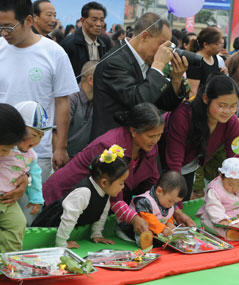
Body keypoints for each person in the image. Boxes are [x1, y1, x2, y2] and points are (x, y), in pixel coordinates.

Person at [44, 103, 195, 235]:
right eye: (151, 136)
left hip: (88, 207)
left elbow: (152, 188)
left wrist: (175, 212)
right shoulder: (112, 147)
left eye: (159, 135)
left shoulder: (149, 148)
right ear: (134, 131)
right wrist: (134, 218)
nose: (155, 141)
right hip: (59, 200)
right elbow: (116, 198)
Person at [0, 0, 78, 181]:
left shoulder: (54, 53)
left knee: (31, 204)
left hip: (36, 151)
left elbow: (62, 103)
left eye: (8, 28)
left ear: (28, 21)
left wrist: (60, 147)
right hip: (2, 147)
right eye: (0, 27)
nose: (4, 33)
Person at [91, 12, 188, 139]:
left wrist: (176, 78)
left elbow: (165, 104)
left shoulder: (147, 60)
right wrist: (158, 65)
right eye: (162, 44)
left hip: (140, 145)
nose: (164, 50)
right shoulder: (114, 62)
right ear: (145, 36)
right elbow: (139, 102)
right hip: (111, 146)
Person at [161, 75, 239, 199]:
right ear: (205, 98)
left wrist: (236, 192)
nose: (227, 111)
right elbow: (174, 161)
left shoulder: (232, 123)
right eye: (222, 105)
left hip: (189, 166)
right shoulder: (184, 116)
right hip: (162, 163)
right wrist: (175, 205)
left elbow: (235, 159)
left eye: (233, 106)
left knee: (183, 200)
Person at [32, 145, 127, 248]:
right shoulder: (83, 193)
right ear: (104, 182)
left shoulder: (105, 193)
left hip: (68, 231)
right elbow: (68, 219)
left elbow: (101, 215)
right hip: (50, 228)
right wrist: (61, 243)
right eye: (121, 183)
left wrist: (96, 234)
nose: (123, 187)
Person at [12, 101, 51, 225]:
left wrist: (36, 199)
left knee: (18, 223)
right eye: (34, 134)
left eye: (41, 136)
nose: (37, 140)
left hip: (11, 199)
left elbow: (35, 176)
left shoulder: (31, 155)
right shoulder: (5, 147)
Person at [127, 171, 186, 245]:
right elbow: (149, 220)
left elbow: (167, 215)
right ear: (159, 191)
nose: (172, 205)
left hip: (157, 228)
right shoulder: (145, 201)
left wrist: (169, 223)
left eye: (175, 202)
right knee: (149, 236)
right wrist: (163, 229)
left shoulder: (167, 202)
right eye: (170, 201)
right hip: (132, 229)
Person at [0, 104, 28, 252]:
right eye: (5, 149)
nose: (6, 154)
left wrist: (24, 178)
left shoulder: (8, 152)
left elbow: (20, 164)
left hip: (5, 198)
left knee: (18, 223)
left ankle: (7, 265)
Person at [60, 2, 109, 81]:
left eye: (102, 20)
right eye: (94, 20)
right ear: (82, 20)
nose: (98, 24)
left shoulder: (103, 44)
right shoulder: (68, 44)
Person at [67, 61, 97, 158]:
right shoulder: (71, 98)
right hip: (63, 158)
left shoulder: (98, 99)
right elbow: (56, 133)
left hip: (81, 158)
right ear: (91, 80)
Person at [187, 27, 226, 99]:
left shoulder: (215, 58)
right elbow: (193, 92)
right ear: (205, 44)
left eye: (221, 44)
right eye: (217, 44)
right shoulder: (196, 61)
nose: (220, 47)